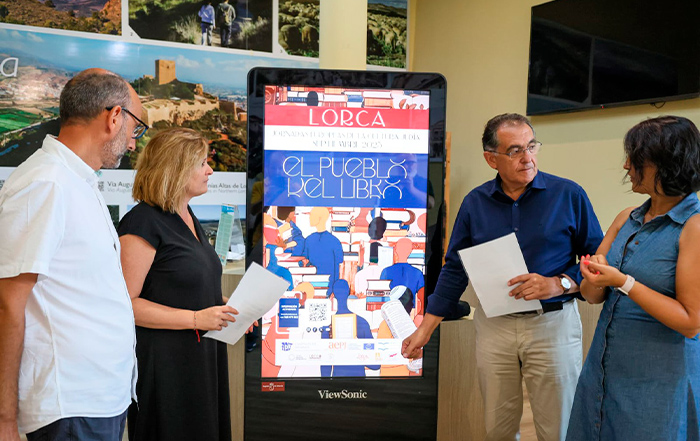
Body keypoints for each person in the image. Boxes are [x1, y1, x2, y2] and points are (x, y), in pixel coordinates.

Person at [402, 113, 604, 441]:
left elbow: (597, 260)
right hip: (495, 327)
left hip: (553, 325)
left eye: (532, 146)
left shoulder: (568, 194)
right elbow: (455, 269)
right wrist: (424, 330)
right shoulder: (475, 203)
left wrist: (559, 284)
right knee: (497, 428)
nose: (527, 158)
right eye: (514, 151)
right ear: (491, 159)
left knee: (559, 429)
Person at [0, 68, 143, 441]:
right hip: (69, 404)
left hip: (98, 398)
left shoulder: (77, 180)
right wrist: (4, 418)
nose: (133, 143)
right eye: (136, 128)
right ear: (114, 117)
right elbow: (8, 303)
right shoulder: (46, 182)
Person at [566, 116, 700, 441]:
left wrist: (623, 281)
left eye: (636, 158)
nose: (627, 166)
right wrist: (592, 277)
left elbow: (691, 322)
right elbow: (593, 295)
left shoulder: (693, 227)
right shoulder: (626, 217)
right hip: (604, 370)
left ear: (668, 165)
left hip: (659, 380)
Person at [118, 128, 239, 441]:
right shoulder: (142, 222)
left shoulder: (185, 214)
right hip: (167, 364)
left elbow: (182, 285)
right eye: (202, 163)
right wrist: (197, 318)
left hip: (201, 357)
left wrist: (225, 308)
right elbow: (126, 305)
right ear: (176, 168)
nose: (210, 170)